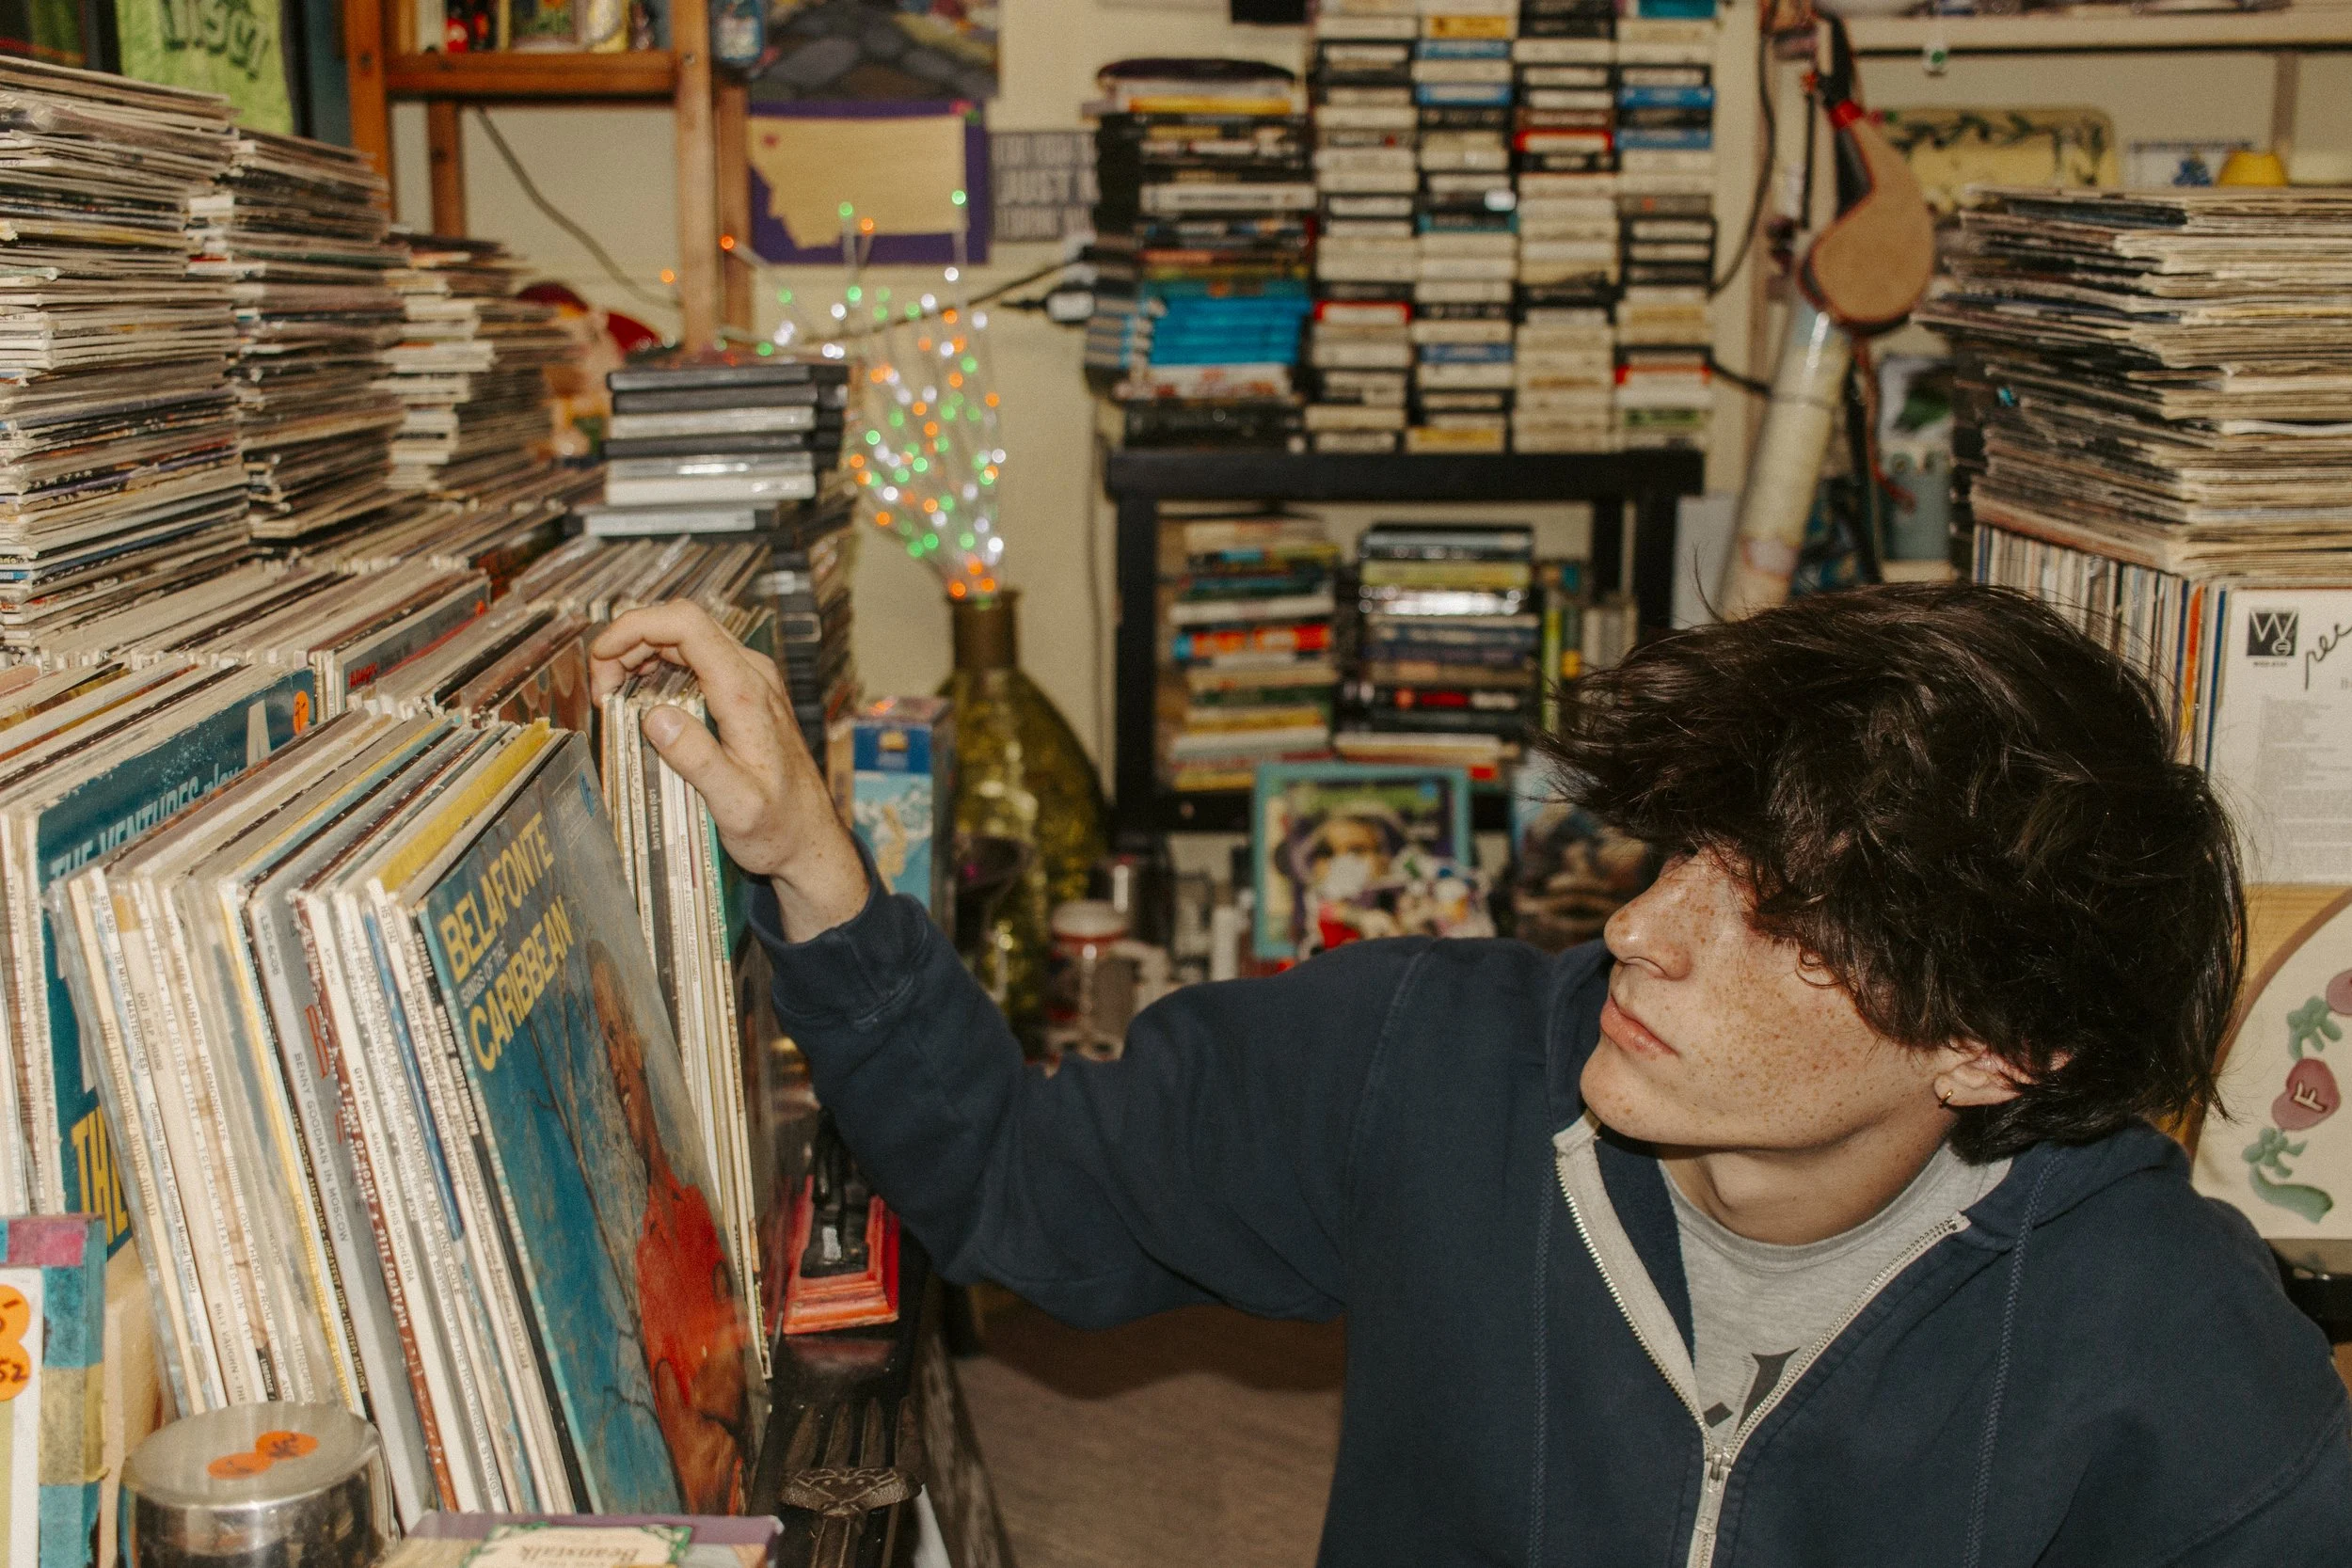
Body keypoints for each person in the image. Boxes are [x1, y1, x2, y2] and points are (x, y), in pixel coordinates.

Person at [589, 584, 2352, 1565]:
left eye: (1780, 912)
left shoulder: (2173, 1348)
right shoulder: (1430, 1058)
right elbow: (1019, 1187)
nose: (1648, 927)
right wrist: (814, 861)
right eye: (1688, 850)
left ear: (1992, 1043)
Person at [589, 943, 748, 1513]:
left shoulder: (697, 1213)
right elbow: (699, 1452)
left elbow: (725, 1416)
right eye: (600, 1042)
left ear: (636, 1039)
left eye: (613, 1034)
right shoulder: (645, 1258)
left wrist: (710, 1404)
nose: (611, 1066)